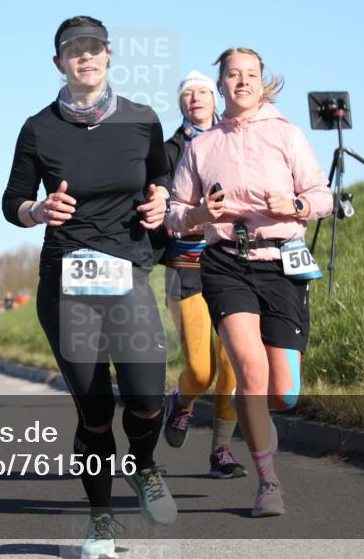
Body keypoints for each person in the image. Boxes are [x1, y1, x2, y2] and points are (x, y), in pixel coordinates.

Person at [2, 15, 175, 558]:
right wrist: (39, 209)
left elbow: (161, 178)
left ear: (108, 57)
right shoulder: (38, 128)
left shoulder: (143, 121)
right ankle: (100, 523)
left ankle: (143, 465)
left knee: (147, 397)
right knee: (95, 411)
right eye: (73, 51)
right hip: (66, 279)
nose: (85, 57)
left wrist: (161, 200)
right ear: (59, 63)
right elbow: (12, 201)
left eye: (94, 49)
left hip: (128, 272)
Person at [166, 47, 332, 517]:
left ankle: (254, 418)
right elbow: (176, 215)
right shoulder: (201, 146)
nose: (242, 82)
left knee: (284, 391)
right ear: (221, 87)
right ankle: (268, 483)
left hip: (282, 262)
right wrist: (200, 214)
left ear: (263, 82)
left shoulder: (287, 135)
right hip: (226, 263)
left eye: (251, 74)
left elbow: (321, 195)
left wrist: (295, 207)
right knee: (250, 373)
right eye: (233, 75)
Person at [157, 71, 246, 479]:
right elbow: (162, 211)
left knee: (231, 366)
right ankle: (183, 401)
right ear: (181, 104)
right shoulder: (168, 150)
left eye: (203, 91)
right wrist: (190, 217)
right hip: (185, 264)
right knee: (200, 369)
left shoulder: (234, 141)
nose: (196, 98)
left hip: (231, 262)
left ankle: (222, 452)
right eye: (188, 93)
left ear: (216, 98)